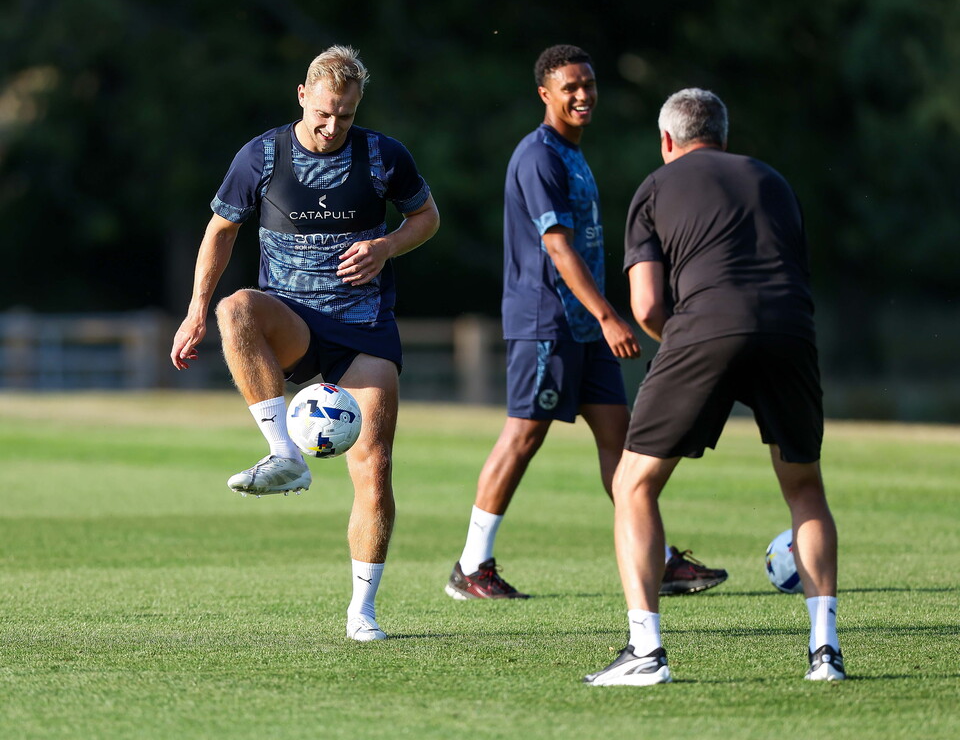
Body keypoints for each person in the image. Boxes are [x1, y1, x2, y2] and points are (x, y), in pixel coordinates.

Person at [170, 45, 440, 643]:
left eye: (344, 115)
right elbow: (220, 230)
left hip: (365, 331)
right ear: (302, 95)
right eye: (323, 112)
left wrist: (387, 246)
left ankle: (362, 611)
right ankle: (283, 454)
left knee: (375, 468)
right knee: (234, 308)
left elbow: (426, 218)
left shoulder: (383, 155)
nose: (332, 125)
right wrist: (193, 313)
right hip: (293, 321)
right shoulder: (262, 155)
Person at [445, 46, 727, 602]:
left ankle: (661, 559)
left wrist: (599, 319)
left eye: (589, 84)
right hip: (546, 320)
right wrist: (608, 315)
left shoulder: (573, 153)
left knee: (621, 442)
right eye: (569, 86)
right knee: (524, 435)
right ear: (545, 94)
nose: (582, 95)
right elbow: (556, 246)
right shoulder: (539, 156)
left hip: (586, 327)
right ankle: (472, 567)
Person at [584, 88, 843, 686]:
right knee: (805, 488)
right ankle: (824, 653)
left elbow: (647, 303)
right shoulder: (773, 180)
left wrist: (682, 346)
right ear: (723, 137)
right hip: (791, 329)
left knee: (634, 483)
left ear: (667, 141)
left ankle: (646, 653)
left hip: (704, 328)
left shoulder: (655, 185)